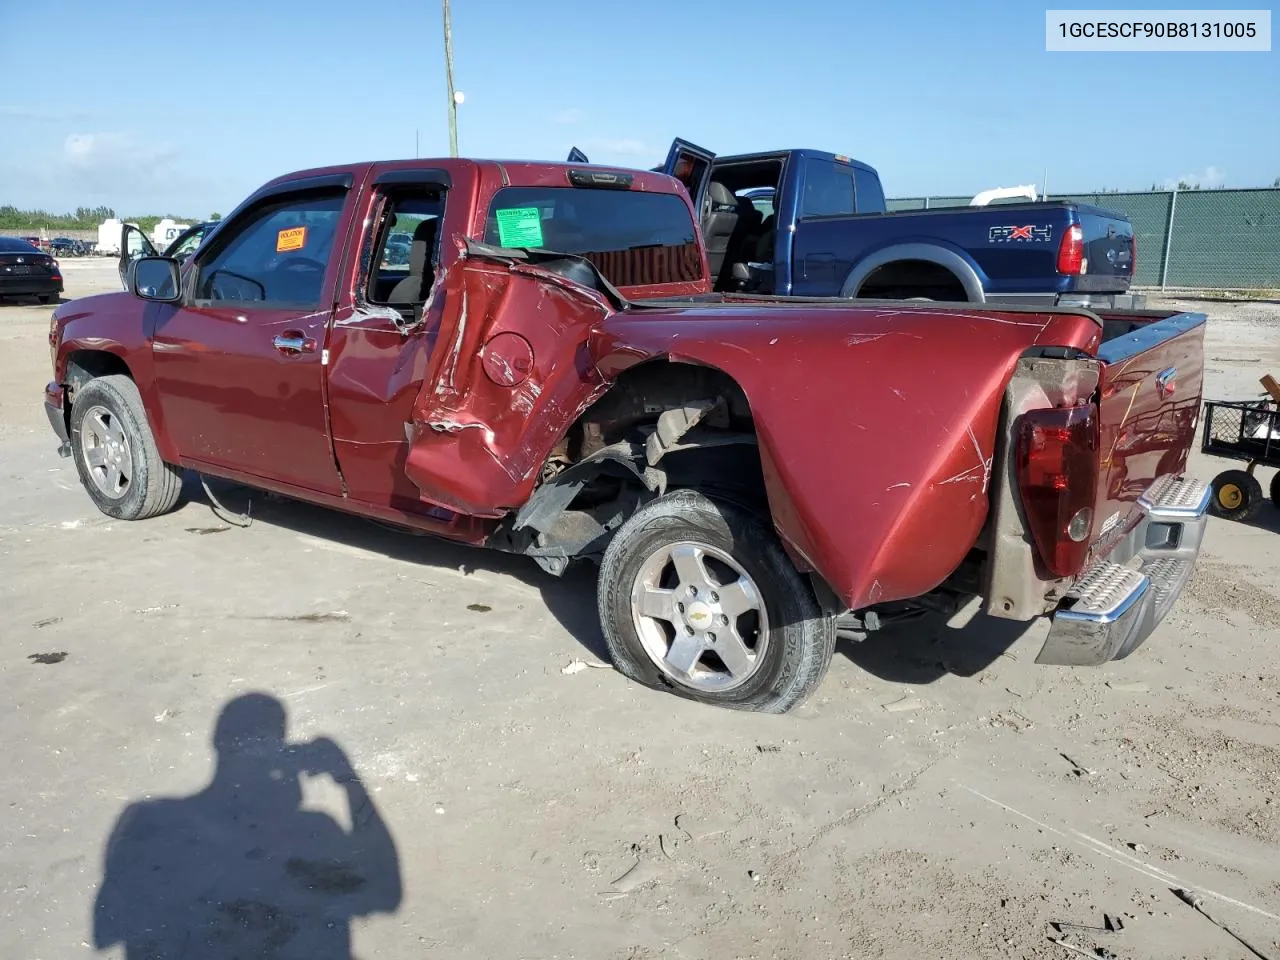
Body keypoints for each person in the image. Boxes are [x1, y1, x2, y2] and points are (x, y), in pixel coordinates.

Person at [93, 693, 401, 959]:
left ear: (217, 742)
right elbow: (386, 893)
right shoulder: (317, 826)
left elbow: (107, 929)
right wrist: (349, 780)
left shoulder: (146, 819)